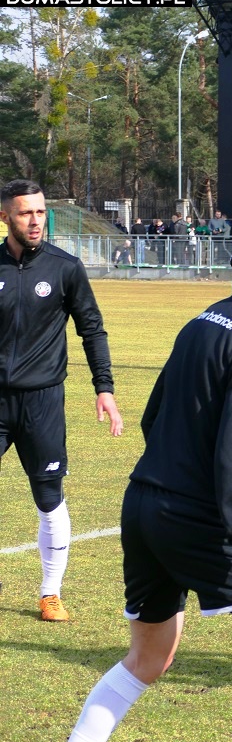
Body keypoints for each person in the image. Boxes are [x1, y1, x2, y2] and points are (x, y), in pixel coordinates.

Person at [61, 200, 232, 742]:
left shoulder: (205, 319)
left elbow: (152, 417)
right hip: (197, 520)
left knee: (148, 660)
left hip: (142, 506)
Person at [0, 180, 123, 623]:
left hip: (43, 402)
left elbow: (92, 329)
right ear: (5, 218)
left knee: (49, 495)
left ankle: (50, 593)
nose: (35, 221)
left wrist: (104, 388)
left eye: (40, 212)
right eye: (25, 213)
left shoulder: (65, 268)